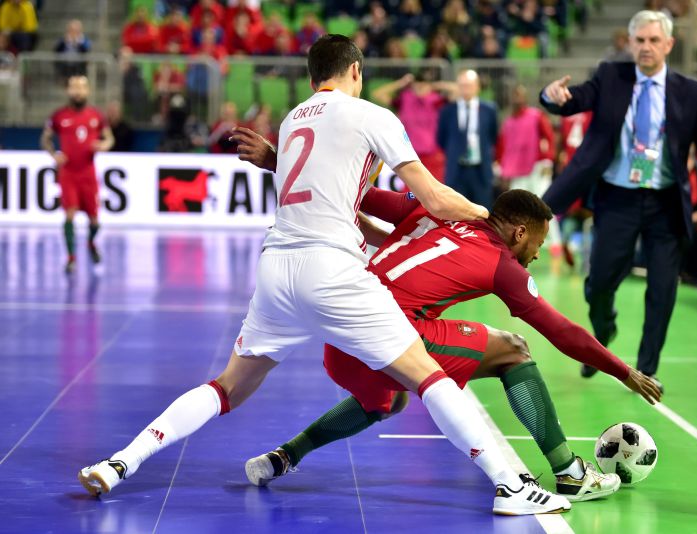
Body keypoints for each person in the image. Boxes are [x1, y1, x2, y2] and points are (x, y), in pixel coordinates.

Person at [78, 34, 559, 517]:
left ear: (312, 79)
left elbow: (338, 202)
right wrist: (485, 216)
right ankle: (510, 486)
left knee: (227, 387)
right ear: (356, 70)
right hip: (333, 269)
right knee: (427, 375)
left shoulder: (291, 121)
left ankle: (122, 462)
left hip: (276, 270)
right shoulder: (371, 115)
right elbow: (434, 200)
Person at [246, 188, 661, 503]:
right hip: (392, 332)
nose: (536, 254)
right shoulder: (504, 265)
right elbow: (563, 331)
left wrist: (277, 162)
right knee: (514, 348)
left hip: (339, 344)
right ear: (519, 233)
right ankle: (570, 473)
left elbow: (360, 195)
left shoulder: (434, 210)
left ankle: (284, 456)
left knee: (387, 402)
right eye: (536, 244)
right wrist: (623, 371)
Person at [539, 10, 697, 390]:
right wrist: (553, 97)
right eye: (640, 41)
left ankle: (646, 369)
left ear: (668, 44)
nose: (646, 47)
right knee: (599, 283)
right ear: (630, 44)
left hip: (665, 204)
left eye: (653, 40)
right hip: (617, 198)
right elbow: (574, 98)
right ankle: (602, 335)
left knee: (663, 289)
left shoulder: (691, 91)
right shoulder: (611, 76)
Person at [40, 75, 114, 274]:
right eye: (74, 87)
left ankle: (91, 243)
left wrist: (103, 145)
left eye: (81, 87)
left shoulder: (96, 116)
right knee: (69, 214)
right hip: (68, 174)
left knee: (95, 221)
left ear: (88, 90)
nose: (78, 91)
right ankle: (71, 257)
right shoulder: (58, 116)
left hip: (88, 174)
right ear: (68, 90)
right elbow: (46, 139)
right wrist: (53, 154)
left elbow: (109, 138)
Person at [372, 71, 455, 182]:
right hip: (410, 156)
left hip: (432, 154)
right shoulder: (405, 99)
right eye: (418, 83)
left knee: (435, 191)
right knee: (410, 193)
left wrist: (436, 85)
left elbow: (457, 91)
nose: (421, 87)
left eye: (424, 84)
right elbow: (378, 94)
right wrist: (400, 83)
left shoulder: (436, 100)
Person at [437, 69, 498, 207]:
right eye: (462, 85)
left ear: (477, 87)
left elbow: (493, 136)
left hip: (480, 171)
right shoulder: (447, 111)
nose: (466, 89)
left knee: (483, 214)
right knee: (455, 213)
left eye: (469, 85)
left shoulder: (489, 109)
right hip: (456, 171)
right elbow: (441, 139)